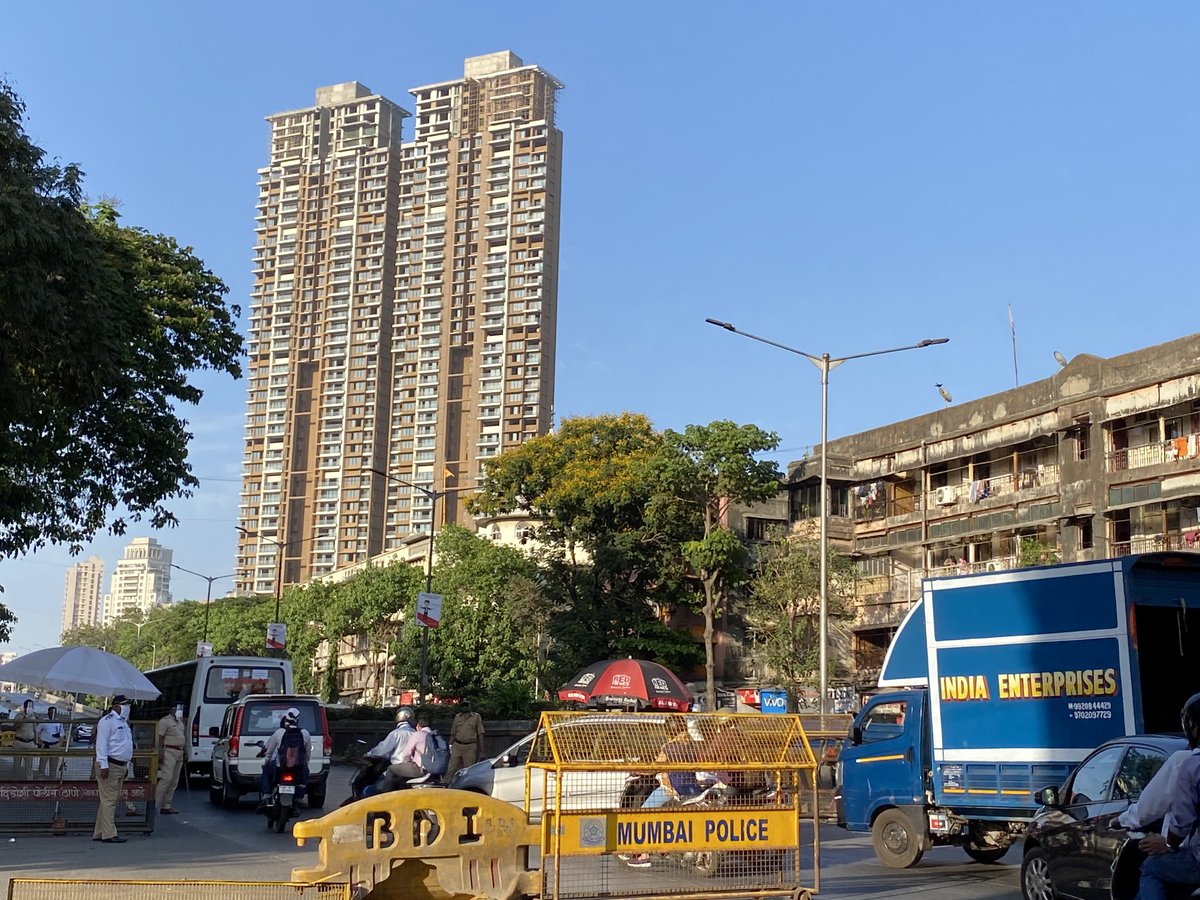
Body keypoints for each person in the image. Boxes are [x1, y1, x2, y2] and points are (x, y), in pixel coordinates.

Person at [1134, 692, 1200, 899]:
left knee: (1151, 868)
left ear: (1192, 726)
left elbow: (1182, 822)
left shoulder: (1191, 764)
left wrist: (1168, 844)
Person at [623, 718, 703, 867]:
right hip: (693, 789)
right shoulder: (693, 745)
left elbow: (655, 767)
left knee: (644, 813)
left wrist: (637, 770)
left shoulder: (669, 747)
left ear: (668, 731)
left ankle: (644, 855)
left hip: (673, 789)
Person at [93, 694, 134, 843]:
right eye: (125, 705)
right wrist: (103, 764)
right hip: (109, 765)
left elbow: (125, 745)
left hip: (120, 765)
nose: (127, 708)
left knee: (109, 800)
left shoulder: (124, 723)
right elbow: (101, 744)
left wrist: (127, 764)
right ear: (116, 706)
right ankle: (109, 834)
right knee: (110, 800)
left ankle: (99, 832)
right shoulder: (107, 721)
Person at [257, 707, 311, 808]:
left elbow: (269, 752)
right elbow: (307, 755)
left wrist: (266, 763)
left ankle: (267, 795)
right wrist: (305, 766)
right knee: (306, 774)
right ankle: (299, 797)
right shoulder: (305, 733)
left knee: (266, 771)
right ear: (298, 720)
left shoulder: (279, 732)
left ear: (285, 719)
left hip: (279, 767)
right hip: (298, 768)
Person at [378, 714, 433, 791]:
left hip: (420, 769)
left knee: (390, 769)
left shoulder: (417, 735)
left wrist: (407, 762)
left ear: (418, 725)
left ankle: (384, 794)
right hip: (432, 770)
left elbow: (407, 754)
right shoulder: (434, 735)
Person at [155, 703, 187, 815]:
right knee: (166, 778)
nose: (179, 711)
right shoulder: (165, 721)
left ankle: (166, 805)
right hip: (169, 751)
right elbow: (159, 737)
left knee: (174, 781)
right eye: (177, 708)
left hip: (180, 751)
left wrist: (186, 751)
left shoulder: (180, 722)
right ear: (172, 709)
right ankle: (154, 803)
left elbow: (183, 737)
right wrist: (159, 753)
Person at [448, 701, 485, 776]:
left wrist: (482, 750)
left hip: (470, 746)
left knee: (468, 770)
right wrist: (450, 745)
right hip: (457, 745)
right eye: (463, 705)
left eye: (466, 705)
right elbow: (453, 733)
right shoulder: (457, 717)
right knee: (451, 768)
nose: (465, 707)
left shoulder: (476, 717)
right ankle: (446, 784)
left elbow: (480, 733)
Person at [35, 705, 64, 778]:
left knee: (54, 765)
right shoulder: (44, 722)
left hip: (55, 744)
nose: (52, 714)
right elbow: (37, 731)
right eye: (51, 712)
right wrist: (38, 741)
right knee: (42, 764)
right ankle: (40, 779)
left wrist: (59, 736)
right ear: (48, 713)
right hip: (46, 745)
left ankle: (52, 780)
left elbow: (62, 733)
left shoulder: (59, 722)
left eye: (54, 712)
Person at [12, 699, 37, 777]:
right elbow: (15, 727)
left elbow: (34, 729)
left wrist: (35, 741)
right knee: (17, 765)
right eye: (29, 706)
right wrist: (23, 719)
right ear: (25, 706)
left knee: (29, 765)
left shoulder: (33, 717)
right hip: (19, 742)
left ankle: (29, 781)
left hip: (30, 743)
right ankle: (15, 782)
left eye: (32, 706)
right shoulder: (19, 715)